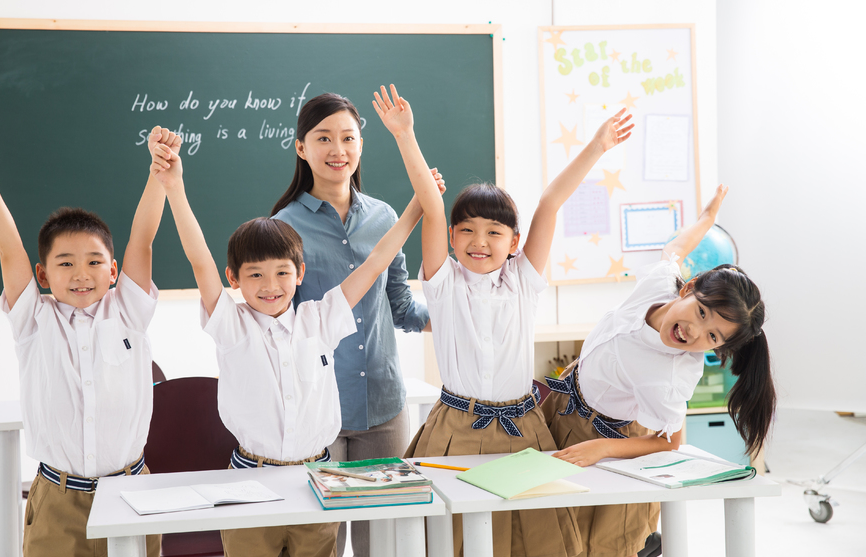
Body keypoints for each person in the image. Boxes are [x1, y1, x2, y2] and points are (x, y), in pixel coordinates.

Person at [374, 84, 632, 557]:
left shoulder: (523, 281)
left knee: (534, 541)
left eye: (494, 232)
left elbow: (550, 203)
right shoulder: (444, 281)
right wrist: (404, 135)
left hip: (524, 427)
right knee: (453, 540)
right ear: (451, 237)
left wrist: (596, 146)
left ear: (514, 241)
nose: (480, 241)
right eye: (467, 230)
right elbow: (430, 204)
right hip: (456, 426)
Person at [150, 135, 435, 557]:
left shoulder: (318, 320)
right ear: (234, 279)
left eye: (282, 273)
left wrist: (417, 207)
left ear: (300, 273)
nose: (270, 287)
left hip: (315, 480)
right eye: (256, 275)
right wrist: (174, 188)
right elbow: (198, 260)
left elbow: (375, 262)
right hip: (250, 482)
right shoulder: (231, 324)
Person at [0, 127, 179, 556]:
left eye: (95, 262)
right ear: (43, 276)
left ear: (113, 271)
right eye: (65, 263)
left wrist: (159, 172)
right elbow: (7, 248)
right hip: (58, 499)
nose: (81, 274)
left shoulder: (128, 309)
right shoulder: (34, 319)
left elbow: (143, 239)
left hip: (131, 492)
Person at [542, 184, 775, 557]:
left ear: (718, 348)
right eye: (701, 313)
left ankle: (646, 544)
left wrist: (600, 448)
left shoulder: (673, 376)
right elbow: (675, 250)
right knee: (547, 518)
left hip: (609, 434)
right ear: (689, 289)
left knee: (597, 537)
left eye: (712, 335)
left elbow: (670, 443)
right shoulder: (659, 283)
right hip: (565, 400)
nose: (694, 332)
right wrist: (706, 220)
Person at [270, 92, 441, 555]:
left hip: (384, 408)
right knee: (321, 542)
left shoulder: (384, 217)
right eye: (323, 138)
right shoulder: (284, 228)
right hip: (318, 411)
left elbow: (401, 306)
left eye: (348, 137)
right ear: (302, 148)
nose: (337, 149)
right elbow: (280, 322)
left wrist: (457, 322)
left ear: (361, 146)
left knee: (383, 543)